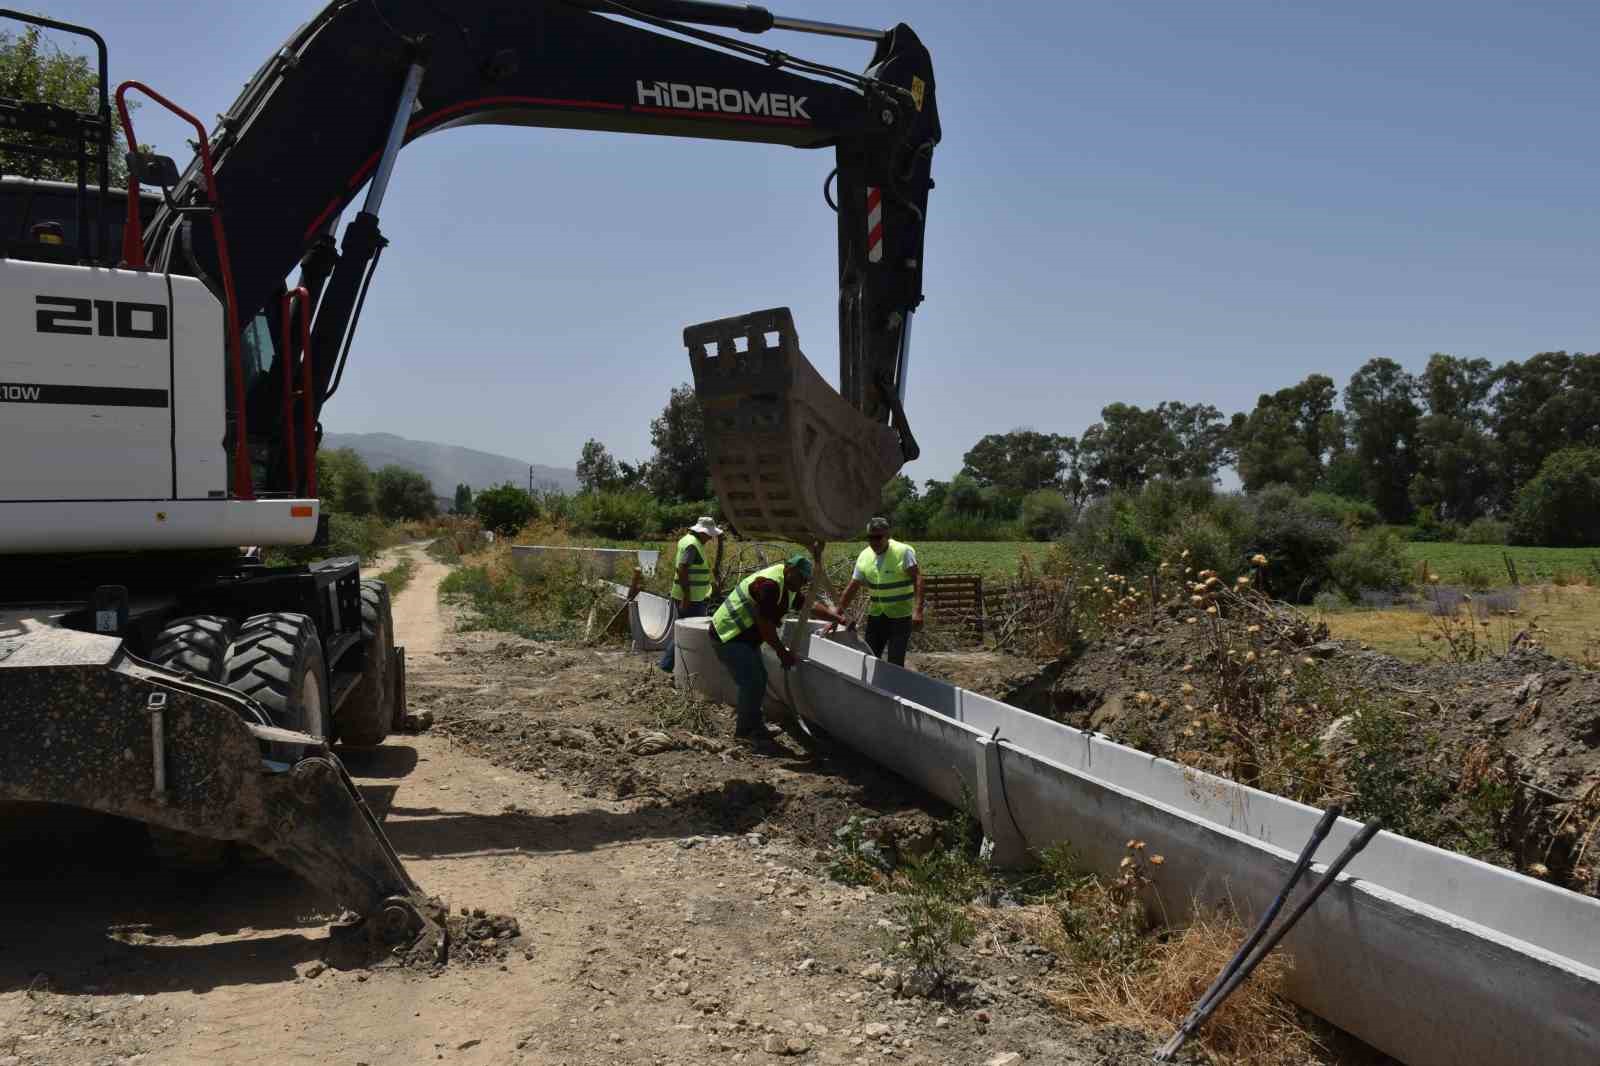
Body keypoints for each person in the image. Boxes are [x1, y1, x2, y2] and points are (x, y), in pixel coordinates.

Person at [709, 553, 851, 751]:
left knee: (758, 679)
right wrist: (782, 652)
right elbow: (765, 625)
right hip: (729, 635)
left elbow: (807, 605)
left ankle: (755, 726)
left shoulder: (789, 585)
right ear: (789, 569)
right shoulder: (771, 585)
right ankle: (744, 734)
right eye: (801, 578)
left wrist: (835, 617)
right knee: (752, 682)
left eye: (805, 580)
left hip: (744, 637)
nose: (802, 583)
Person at [830, 516, 924, 667]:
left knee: (895, 662)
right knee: (870, 658)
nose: (874, 542)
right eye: (870, 538)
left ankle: (894, 690)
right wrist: (836, 615)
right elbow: (853, 587)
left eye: (878, 537)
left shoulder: (903, 552)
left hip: (901, 617)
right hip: (877, 616)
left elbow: (918, 579)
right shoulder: (864, 556)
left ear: (887, 535)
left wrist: (918, 610)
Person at [658, 515, 721, 673]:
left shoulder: (688, 540)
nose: (710, 538)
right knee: (686, 633)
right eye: (709, 535)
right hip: (690, 598)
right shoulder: (693, 545)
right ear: (702, 532)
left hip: (692, 596)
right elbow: (683, 569)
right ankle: (666, 666)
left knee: (684, 632)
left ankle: (669, 666)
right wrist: (686, 597)